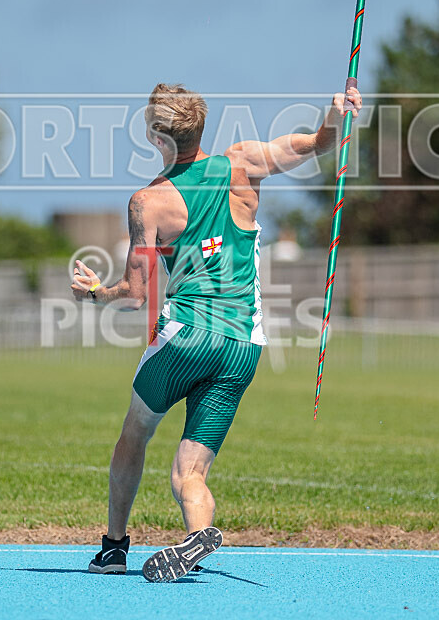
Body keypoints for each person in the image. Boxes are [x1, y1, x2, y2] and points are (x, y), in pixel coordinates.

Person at [71, 81, 362, 582]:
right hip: (243, 345)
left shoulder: (149, 202)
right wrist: (335, 118)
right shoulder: (243, 163)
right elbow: (316, 144)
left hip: (186, 338)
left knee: (134, 435)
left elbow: (137, 292)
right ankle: (197, 536)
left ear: (156, 137)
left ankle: (114, 547)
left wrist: (96, 292)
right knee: (189, 471)